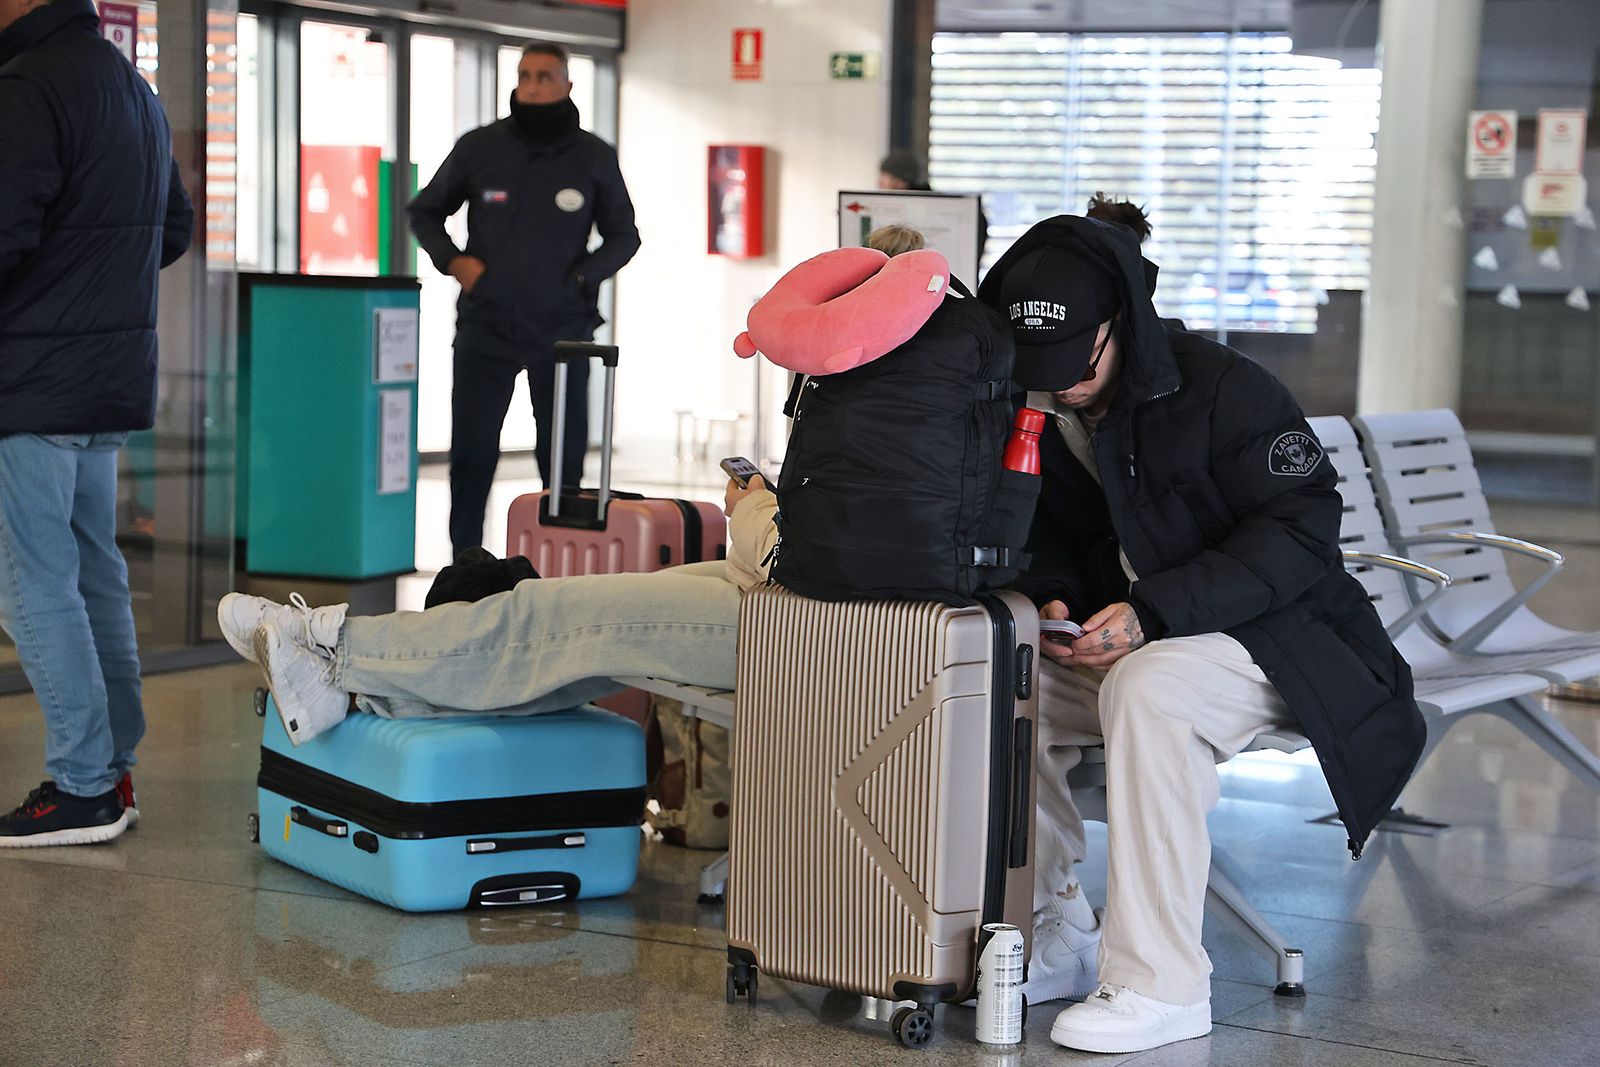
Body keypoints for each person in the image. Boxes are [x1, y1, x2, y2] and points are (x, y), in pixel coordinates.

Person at [975, 215, 1424, 1054]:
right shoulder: (1045, 404)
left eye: (1078, 358)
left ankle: (1163, 984)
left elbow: (1302, 529)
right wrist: (1061, 607)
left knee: (1154, 687)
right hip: (1147, 638)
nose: (1060, 384)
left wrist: (1155, 613)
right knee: (1004, 671)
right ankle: (1057, 931)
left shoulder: (1228, 389)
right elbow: (1054, 542)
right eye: (1041, 365)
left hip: (1284, 641)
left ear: (1119, 324)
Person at [0, 0, 193, 845]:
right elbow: (173, 227)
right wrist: (95, 284)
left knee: (33, 578)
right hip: (105, 380)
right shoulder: (131, 88)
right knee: (93, 571)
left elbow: (4, 232)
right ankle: (112, 769)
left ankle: (82, 783)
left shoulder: (27, 84)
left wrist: (61, 293)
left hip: (33, 382)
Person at [409, 40, 640, 559]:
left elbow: (625, 237)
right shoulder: (479, 147)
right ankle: (464, 566)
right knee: (471, 456)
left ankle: (560, 564)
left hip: (563, 331)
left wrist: (583, 278)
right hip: (486, 327)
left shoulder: (594, 156)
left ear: (567, 86)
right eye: (526, 76)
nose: (533, 86)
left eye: (544, 77)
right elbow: (424, 212)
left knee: (562, 460)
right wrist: (454, 262)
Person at [877, 148, 989, 266]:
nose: (879, 182)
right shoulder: (947, 206)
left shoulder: (927, 208)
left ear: (900, 180)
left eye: (884, 175)